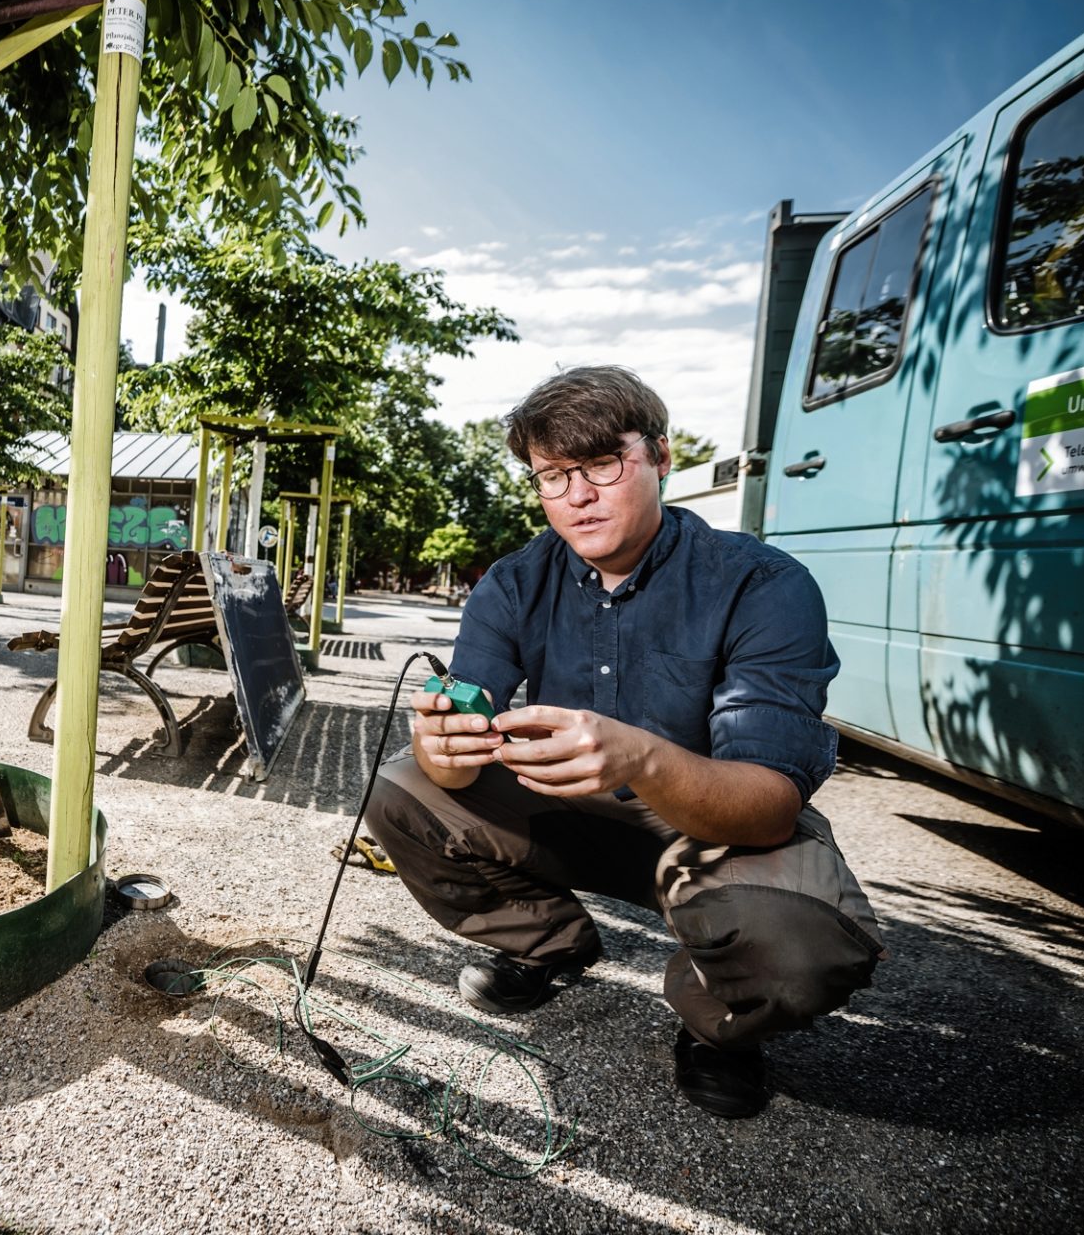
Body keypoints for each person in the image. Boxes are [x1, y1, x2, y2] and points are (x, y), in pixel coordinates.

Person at [363, 365, 884, 1119]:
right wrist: (444, 744)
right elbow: (454, 739)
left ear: (662, 458)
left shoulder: (762, 584)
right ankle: (546, 944)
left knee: (803, 949)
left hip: (715, 829)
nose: (576, 496)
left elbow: (770, 805)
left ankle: (718, 1026)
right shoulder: (512, 582)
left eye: (602, 464)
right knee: (397, 791)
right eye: (551, 476)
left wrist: (638, 755)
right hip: (566, 811)